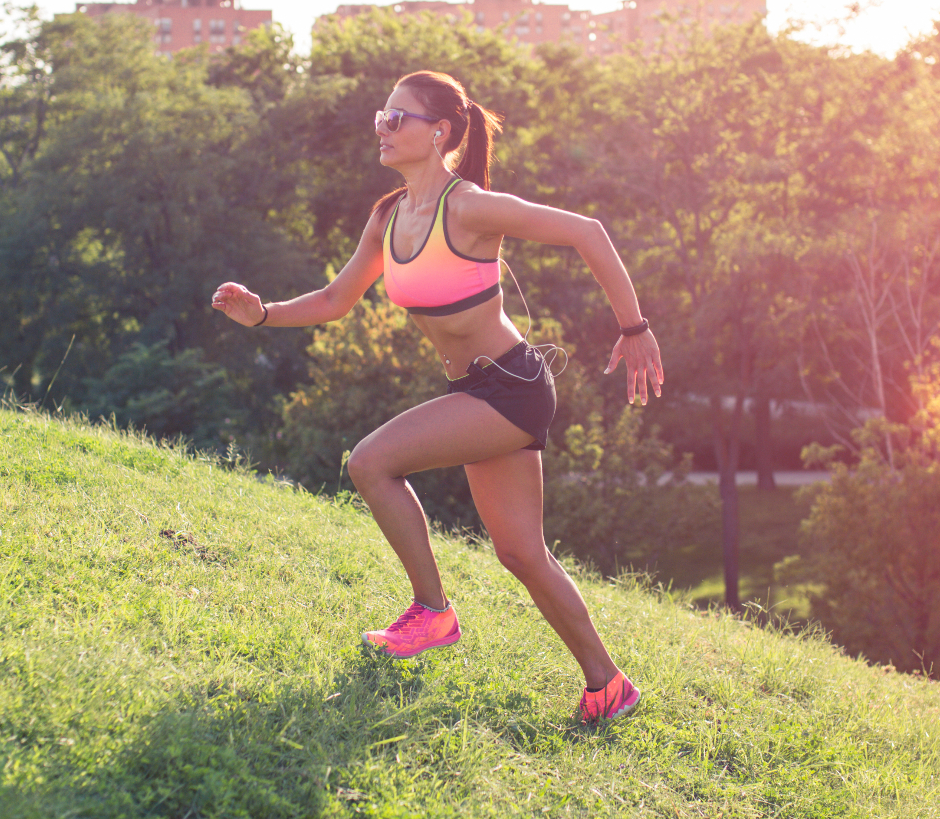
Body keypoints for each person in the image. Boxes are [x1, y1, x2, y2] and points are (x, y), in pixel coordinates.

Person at [212, 70, 663, 723]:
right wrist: (263, 314)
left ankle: (433, 612)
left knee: (370, 461)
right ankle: (608, 683)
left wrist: (636, 329)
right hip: (475, 389)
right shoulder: (389, 216)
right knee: (520, 553)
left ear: (440, 132)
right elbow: (338, 300)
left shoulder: (469, 207)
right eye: (380, 115)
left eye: (398, 118)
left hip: (511, 386)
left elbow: (587, 231)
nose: (382, 128)